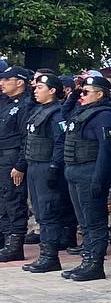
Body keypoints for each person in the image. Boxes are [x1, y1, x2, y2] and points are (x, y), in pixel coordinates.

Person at [59, 71, 111, 282]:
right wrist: (75, 92)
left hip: (89, 171)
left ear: (100, 94)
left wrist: (99, 179)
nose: (81, 95)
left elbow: (105, 151)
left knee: (94, 222)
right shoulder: (82, 110)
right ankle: (87, 260)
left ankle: (95, 264)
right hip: (74, 171)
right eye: (81, 91)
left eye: (86, 91)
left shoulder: (104, 115)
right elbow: (64, 113)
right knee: (84, 222)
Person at [20, 72, 68, 274]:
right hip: (34, 165)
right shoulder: (38, 110)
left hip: (46, 166)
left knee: (48, 212)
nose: (35, 90)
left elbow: (60, 142)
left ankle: (50, 256)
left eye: (40, 87)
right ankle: (45, 254)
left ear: (53, 91)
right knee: (40, 212)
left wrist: (54, 167)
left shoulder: (57, 113)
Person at [0, 66, 34, 263]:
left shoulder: (25, 105)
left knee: (13, 201)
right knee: (3, 202)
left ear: (19, 82)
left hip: (12, 158)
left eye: (6, 80)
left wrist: (20, 165)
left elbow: (26, 138)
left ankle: (14, 245)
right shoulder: (6, 103)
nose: (2, 83)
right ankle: (4, 239)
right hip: (2, 157)